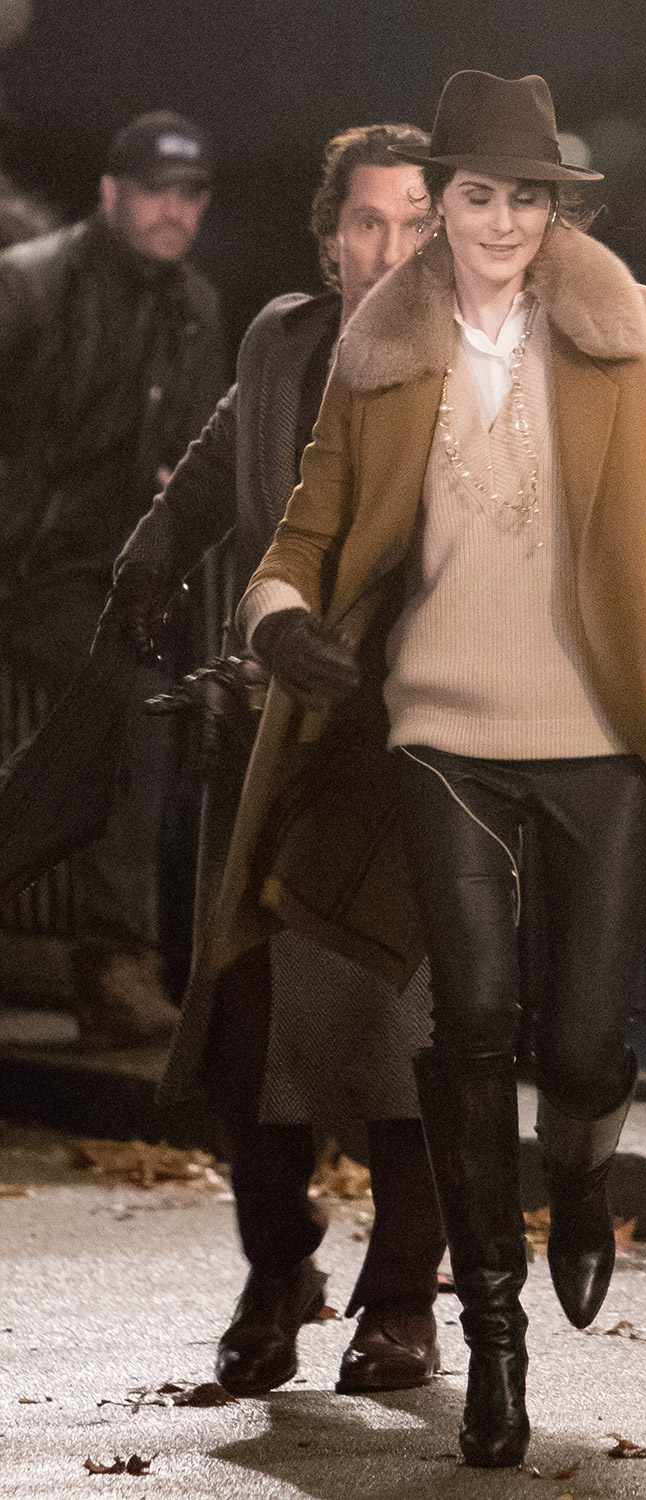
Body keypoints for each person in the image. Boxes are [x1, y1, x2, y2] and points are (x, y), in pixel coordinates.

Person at [218, 71, 646, 1467]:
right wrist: (282, 626)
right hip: (440, 738)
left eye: (524, 197)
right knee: (469, 1032)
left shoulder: (624, 325)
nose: (499, 220)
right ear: (445, 207)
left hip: (605, 737)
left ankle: (583, 1182)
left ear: (551, 208)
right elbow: (297, 543)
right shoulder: (379, 351)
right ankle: (495, 1346)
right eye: (475, 193)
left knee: (582, 1043)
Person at [106, 125, 445, 1398]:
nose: (389, 248)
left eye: (417, 223)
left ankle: (404, 1299)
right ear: (329, 234)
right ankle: (274, 1270)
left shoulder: (470, 365)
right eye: (368, 222)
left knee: (398, 1021)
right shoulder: (282, 339)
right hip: (265, 736)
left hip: (408, 743)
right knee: (242, 1027)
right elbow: (216, 466)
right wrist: (150, 558)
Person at [0, 111, 225, 1044]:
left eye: (190, 194)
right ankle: (116, 965)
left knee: (172, 699)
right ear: (110, 193)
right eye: (155, 190)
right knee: (134, 702)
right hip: (17, 565)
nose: (174, 210)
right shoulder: (28, 284)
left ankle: (135, 962)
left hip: (93, 579)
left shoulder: (195, 308)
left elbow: (193, 455)